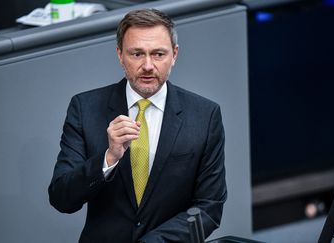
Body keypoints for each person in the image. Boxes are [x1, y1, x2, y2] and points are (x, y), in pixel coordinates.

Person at [48, 8, 227, 243]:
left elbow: (208, 208)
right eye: (137, 54)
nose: (148, 65)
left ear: (174, 55)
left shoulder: (205, 115)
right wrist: (108, 158)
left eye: (158, 54)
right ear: (120, 55)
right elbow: (62, 198)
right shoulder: (85, 108)